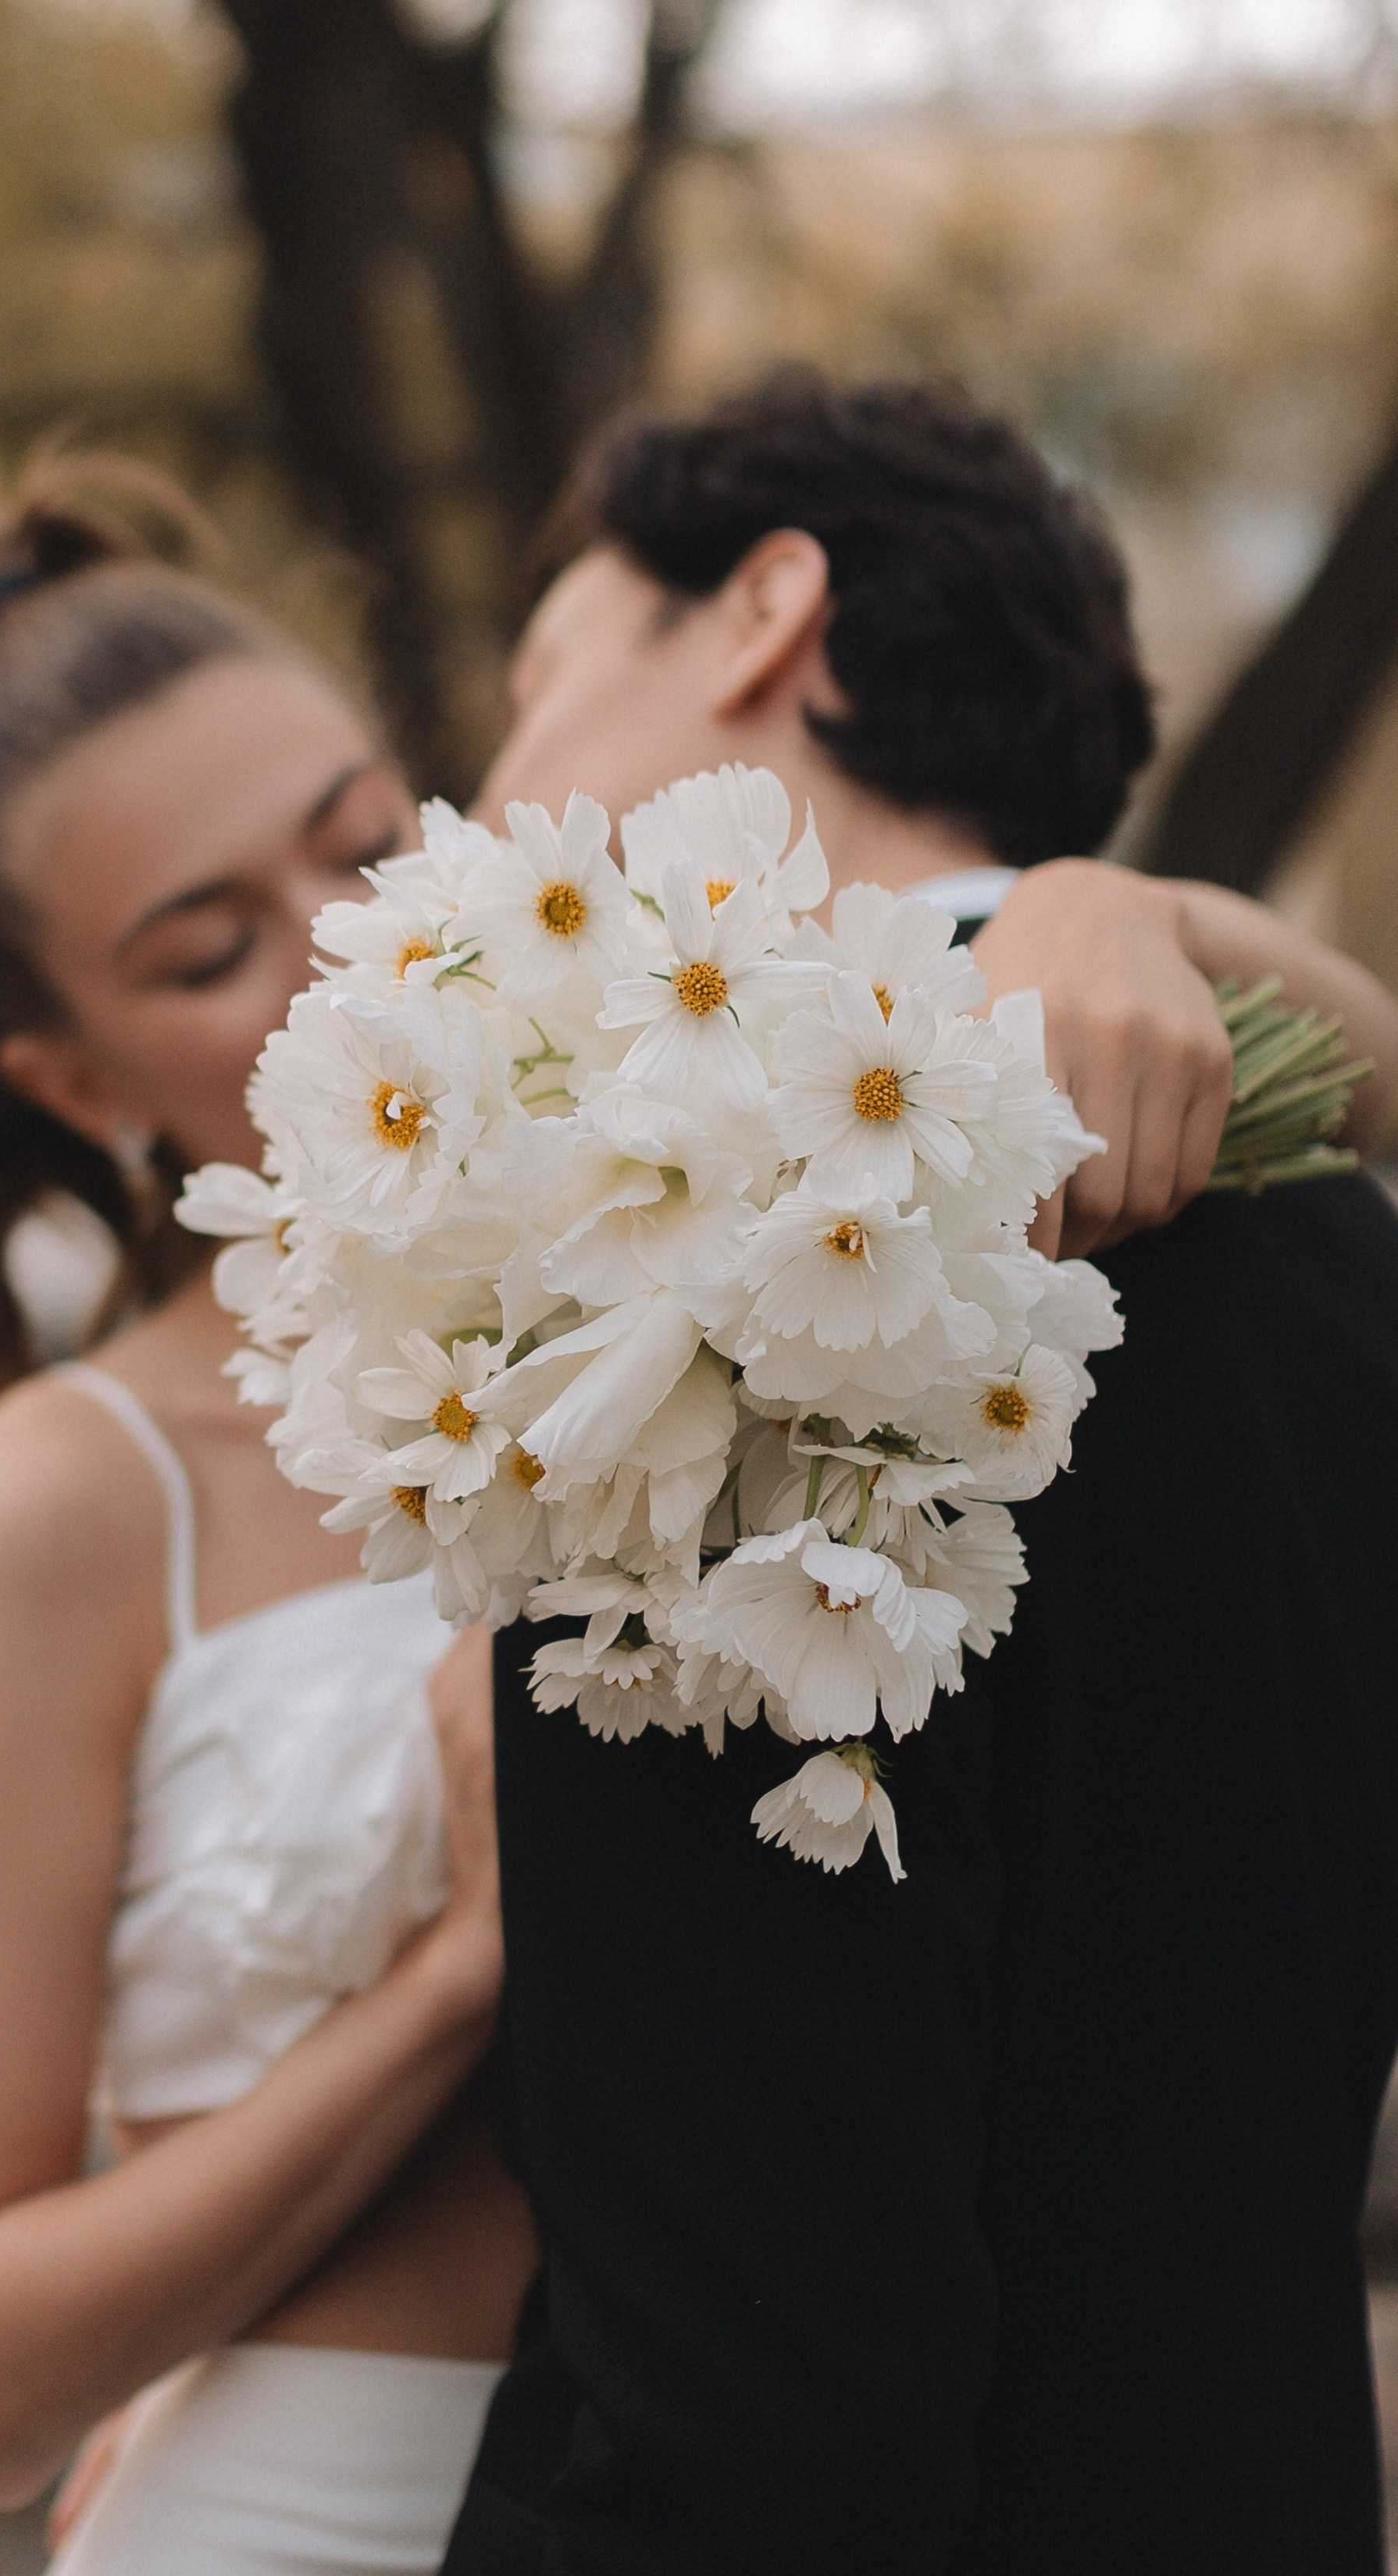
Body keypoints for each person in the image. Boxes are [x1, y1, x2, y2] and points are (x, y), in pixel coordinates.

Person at [439, 372, 1398, 2575]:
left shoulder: (719, 1252)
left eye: (543, 673)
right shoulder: (1345, 1253)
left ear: (766, 610)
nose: (488, 784)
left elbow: (750, 2382)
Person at [0, 463, 538, 2576]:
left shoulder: (731, 1285)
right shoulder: (67, 1499)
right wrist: (453, 1978)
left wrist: (1115, 914)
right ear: (77, 1077)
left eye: (373, 840)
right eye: (215, 947)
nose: (361, 949)